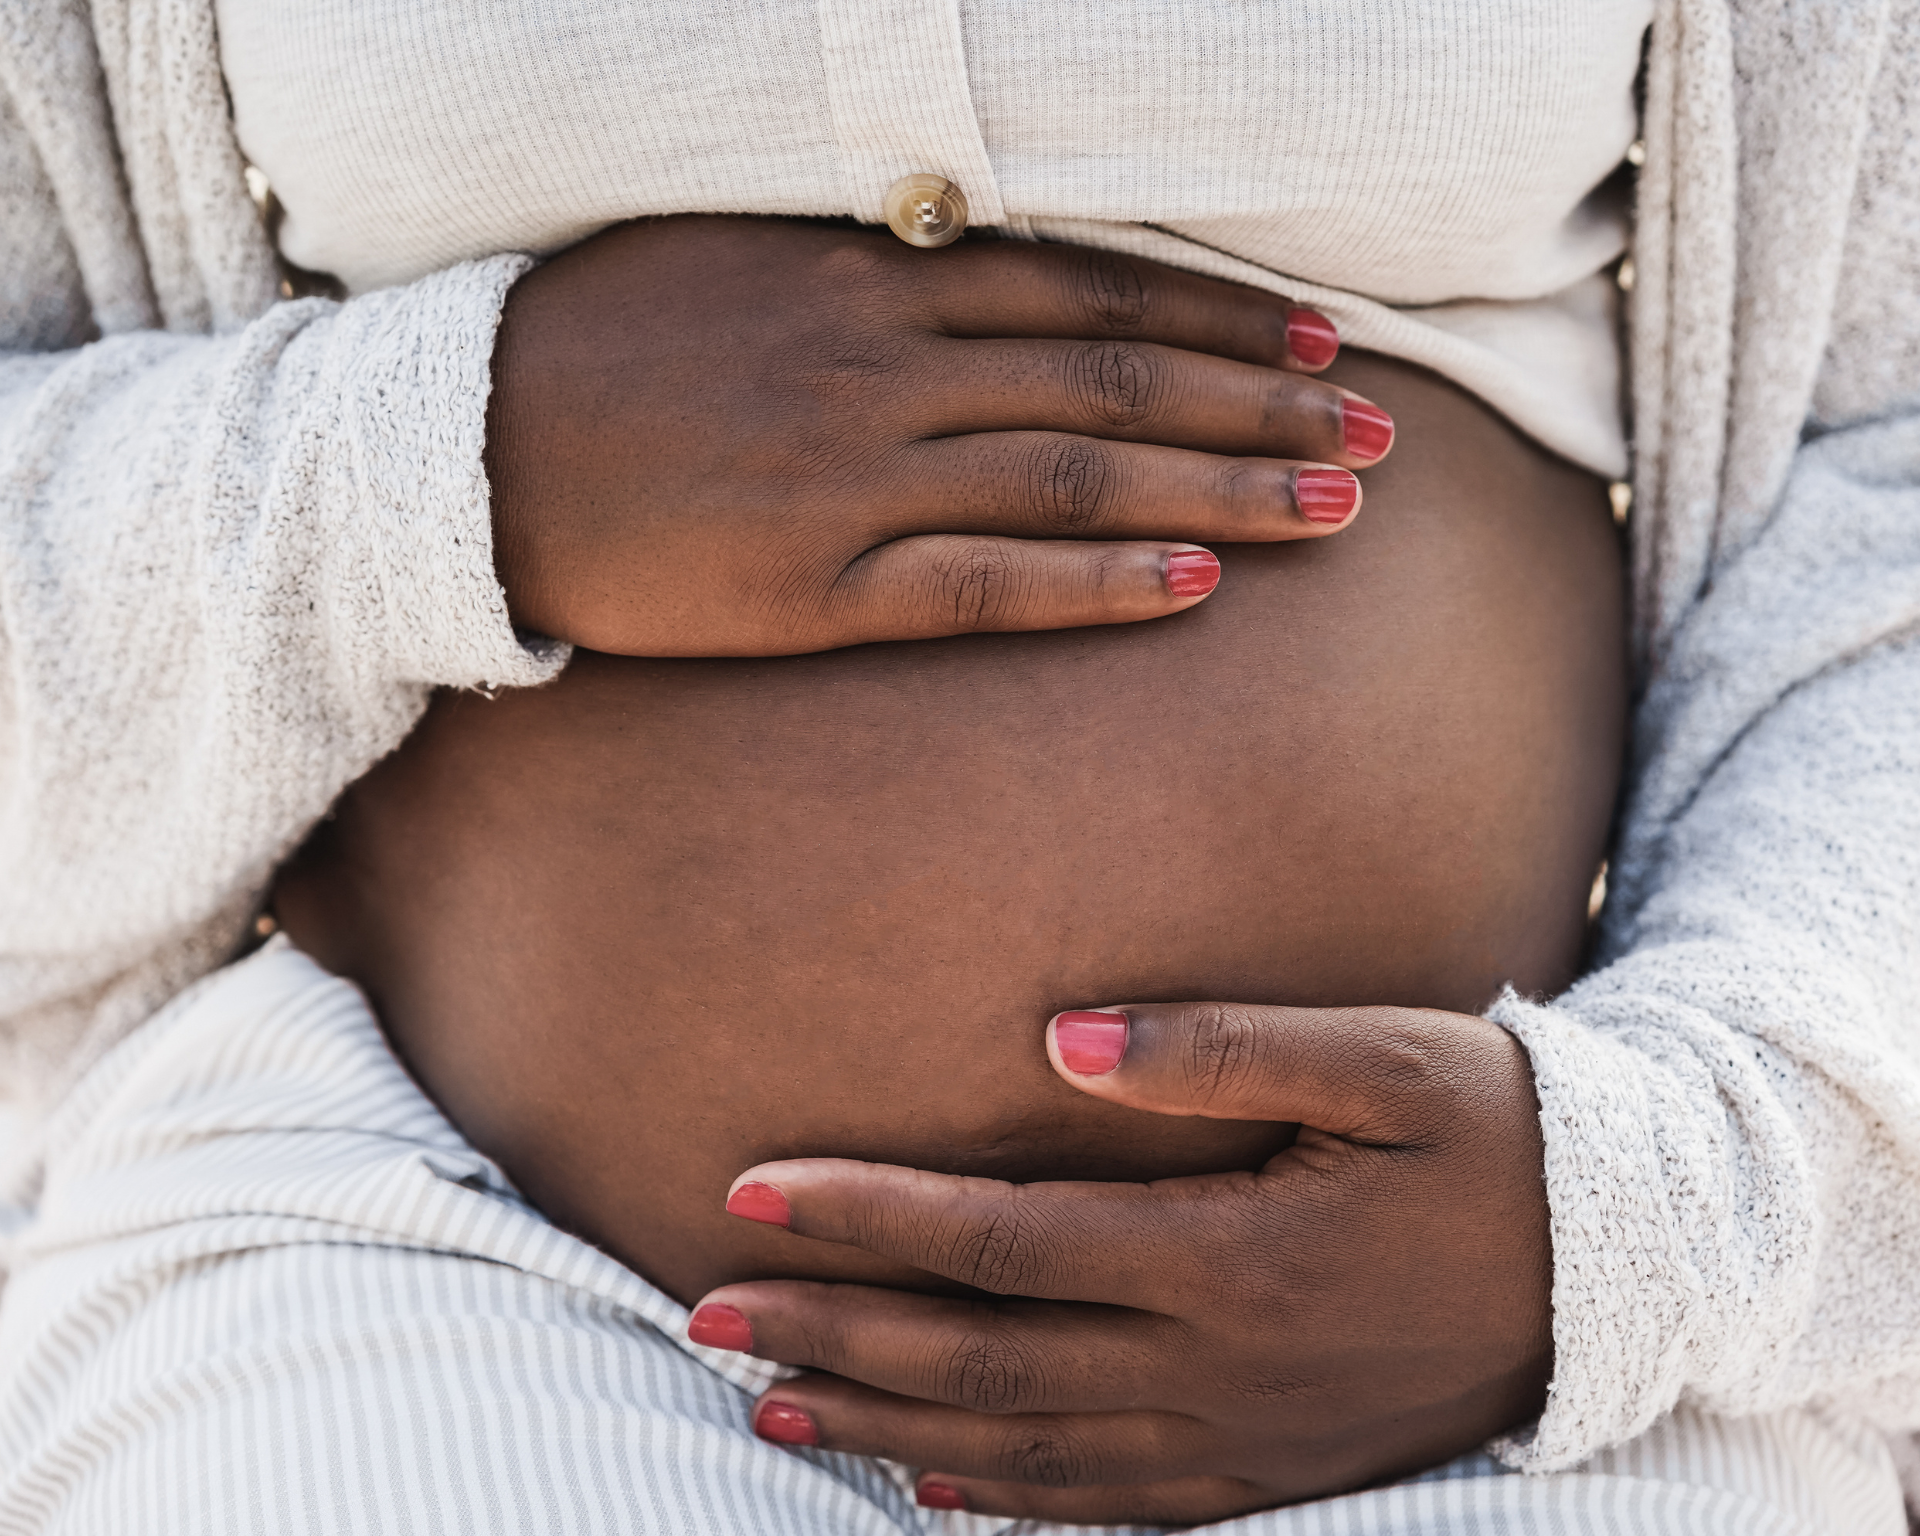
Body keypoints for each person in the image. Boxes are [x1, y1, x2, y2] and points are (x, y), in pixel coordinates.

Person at [2, 2, 1918, 1532]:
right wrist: (442, 461)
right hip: (432, 1266)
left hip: (1509, 1353)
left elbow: (1890, 471)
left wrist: (1638, 1219)